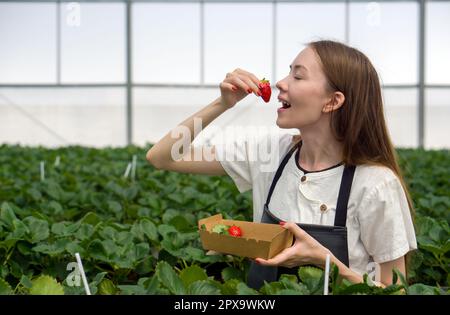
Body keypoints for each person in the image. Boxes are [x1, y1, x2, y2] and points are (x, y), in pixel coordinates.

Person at [146, 40, 417, 289]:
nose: (280, 83)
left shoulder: (375, 184)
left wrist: (326, 261)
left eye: (298, 76)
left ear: (333, 101)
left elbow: (395, 290)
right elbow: (163, 156)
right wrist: (222, 104)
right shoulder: (268, 154)